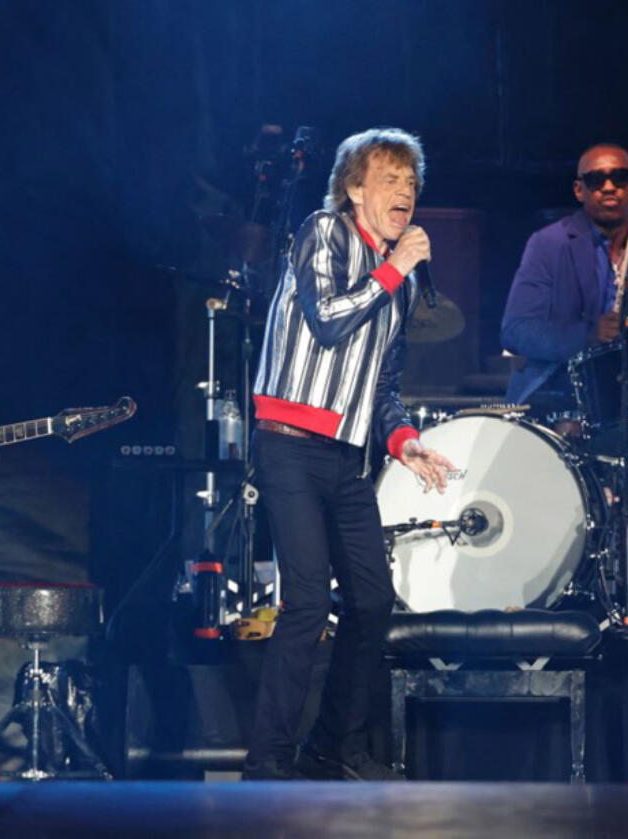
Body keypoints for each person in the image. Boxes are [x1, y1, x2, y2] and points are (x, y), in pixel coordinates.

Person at [245, 127, 454, 781]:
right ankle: (267, 762)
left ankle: (329, 745)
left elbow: (381, 386)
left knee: (372, 600)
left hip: (346, 457)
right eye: (390, 179)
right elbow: (329, 317)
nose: (405, 192)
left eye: (411, 182)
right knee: (307, 600)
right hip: (287, 444)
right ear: (355, 189)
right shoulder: (323, 232)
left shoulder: (404, 281)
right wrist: (394, 270)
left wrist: (404, 439)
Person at [501, 142, 628, 407]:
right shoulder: (547, 245)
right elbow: (516, 331)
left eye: (619, 177)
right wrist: (588, 336)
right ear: (579, 190)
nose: (609, 187)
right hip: (565, 395)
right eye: (596, 180)